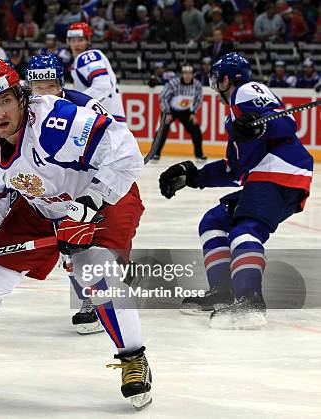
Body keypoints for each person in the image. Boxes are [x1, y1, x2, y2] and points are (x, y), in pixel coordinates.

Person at [0, 59, 151, 410]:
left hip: (105, 197)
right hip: (42, 206)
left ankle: (132, 359)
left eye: (5, 101)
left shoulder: (56, 121)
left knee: (95, 272)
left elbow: (126, 153)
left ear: (21, 97)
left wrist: (89, 203)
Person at [159, 53, 312, 329]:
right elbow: (234, 168)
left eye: (216, 80)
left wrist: (261, 123)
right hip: (267, 177)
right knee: (214, 221)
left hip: (280, 173)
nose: (214, 86)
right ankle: (223, 291)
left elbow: (286, 123)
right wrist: (193, 177)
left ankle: (250, 299)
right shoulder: (235, 116)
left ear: (226, 79)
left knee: (245, 231)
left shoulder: (244, 92)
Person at [26, 53, 129, 334]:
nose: (43, 93)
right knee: (69, 250)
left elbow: (115, 144)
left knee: (95, 245)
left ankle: (105, 294)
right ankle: (88, 301)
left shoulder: (84, 105)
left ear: (60, 83)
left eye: (48, 86)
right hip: (56, 190)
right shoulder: (27, 111)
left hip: (90, 185)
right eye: (37, 87)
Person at [67, 22, 125, 119]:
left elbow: (102, 86)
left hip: (103, 122)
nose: (76, 44)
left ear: (88, 40)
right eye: (73, 40)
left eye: (80, 40)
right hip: (110, 119)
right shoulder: (88, 58)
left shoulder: (87, 57)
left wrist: (74, 103)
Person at [154, 64, 205, 161]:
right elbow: (163, 97)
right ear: (182, 74)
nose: (187, 75)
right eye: (185, 73)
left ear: (193, 74)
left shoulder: (197, 85)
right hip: (170, 110)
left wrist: (193, 113)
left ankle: (199, 155)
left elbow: (199, 99)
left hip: (186, 111)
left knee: (196, 130)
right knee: (162, 130)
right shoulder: (173, 83)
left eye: (190, 73)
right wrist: (167, 112)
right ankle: (155, 153)